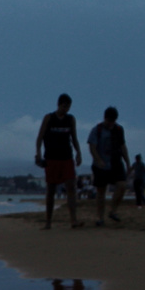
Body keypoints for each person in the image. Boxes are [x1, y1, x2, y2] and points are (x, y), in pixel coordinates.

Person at [34, 93, 82, 229]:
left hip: (67, 157)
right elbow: (40, 137)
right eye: (64, 106)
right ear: (59, 104)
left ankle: (74, 220)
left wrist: (78, 153)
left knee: (71, 188)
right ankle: (48, 222)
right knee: (51, 190)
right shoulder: (49, 118)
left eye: (68, 107)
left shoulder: (70, 119)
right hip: (51, 158)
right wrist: (38, 153)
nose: (66, 109)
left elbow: (74, 138)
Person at [87, 106, 130, 225]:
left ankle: (113, 211)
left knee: (121, 185)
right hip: (101, 165)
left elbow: (123, 146)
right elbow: (92, 147)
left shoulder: (119, 129)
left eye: (113, 121)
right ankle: (100, 218)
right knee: (101, 192)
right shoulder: (97, 130)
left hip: (116, 163)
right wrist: (98, 160)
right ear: (105, 118)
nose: (111, 124)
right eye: (109, 121)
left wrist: (127, 162)